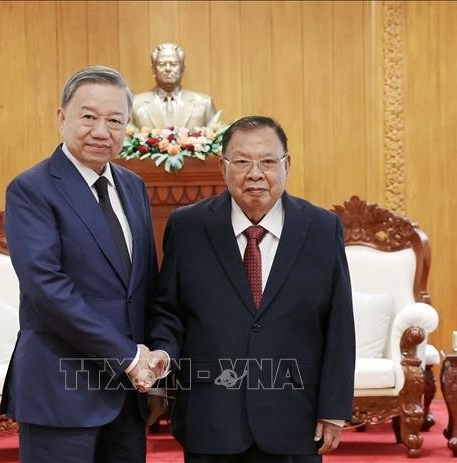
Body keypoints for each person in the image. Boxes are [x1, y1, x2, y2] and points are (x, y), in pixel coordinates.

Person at [145, 116, 356, 462]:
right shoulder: (189, 227)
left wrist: (333, 408)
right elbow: (168, 310)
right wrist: (162, 360)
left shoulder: (321, 228)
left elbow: (339, 324)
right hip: (210, 420)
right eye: (242, 162)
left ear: (287, 164)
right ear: (222, 166)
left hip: (295, 420)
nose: (255, 173)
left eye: (268, 162)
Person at [0, 65, 166, 462]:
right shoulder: (31, 189)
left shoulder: (133, 186)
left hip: (128, 397)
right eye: (88, 117)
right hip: (61, 392)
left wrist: (154, 366)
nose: (101, 131)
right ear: (61, 118)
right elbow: (48, 290)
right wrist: (127, 358)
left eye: (115, 121)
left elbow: (144, 288)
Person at [131, 43, 216, 130]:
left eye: (174, 64)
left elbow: (216, 139)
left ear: (182, 68)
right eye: (162, 64)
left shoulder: (204, 103)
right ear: (153, 70)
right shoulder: (135, 104)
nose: (168, 68)